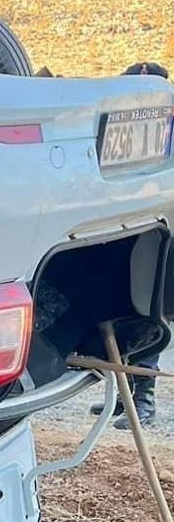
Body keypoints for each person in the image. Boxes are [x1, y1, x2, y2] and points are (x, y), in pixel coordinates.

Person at [90, 61, 172, 426]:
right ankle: (125, 397)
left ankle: (145, 401)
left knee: (143, 312)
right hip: (126, 233)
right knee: (118, 311)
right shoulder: (116, 127)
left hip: (155, 237)